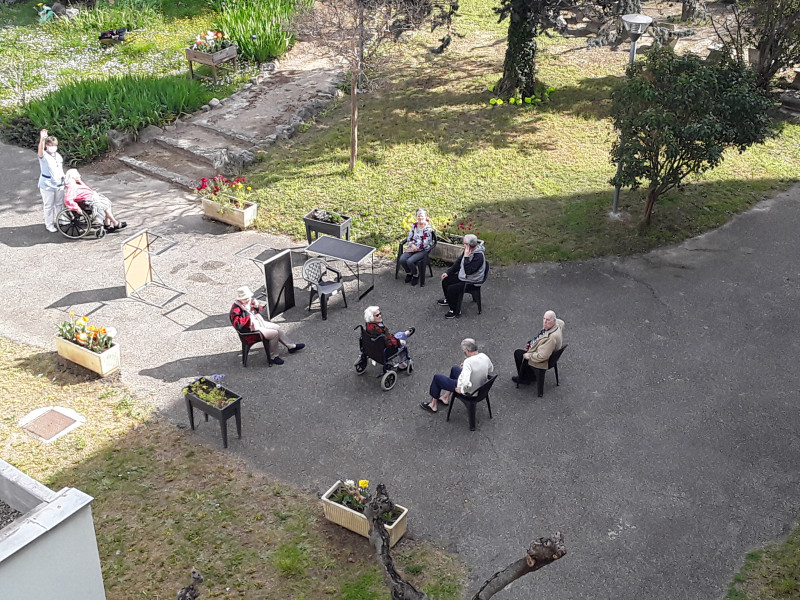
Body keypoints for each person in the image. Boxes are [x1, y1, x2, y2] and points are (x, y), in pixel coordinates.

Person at [229, 286, 305, 365]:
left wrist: (256, 306)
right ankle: (273, 357)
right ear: (239, 299)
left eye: (248, 297)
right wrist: (247, 312)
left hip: (259, 323)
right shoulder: (235, 310)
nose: (248, 300)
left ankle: (291, 346)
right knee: (274, 334)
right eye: (245, 298)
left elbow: (260, 311)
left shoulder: (247, 303)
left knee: (277, 328)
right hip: (250, 331)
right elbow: (238, 325)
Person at [420, 338, 494, 414]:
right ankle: (445, 397)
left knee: (437, 378)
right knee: (455, 369)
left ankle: (433, 405)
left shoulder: (468, 362)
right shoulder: (484, 356)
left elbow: (465, 383)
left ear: (466, 351)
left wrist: (461, 390)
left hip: (470, 391)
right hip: (481, 387)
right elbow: (491, 369)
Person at [437, 233, 486, 319]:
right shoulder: (468, 251)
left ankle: (455, 310)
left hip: (472, 281)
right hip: (464, 277)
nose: (463, 245)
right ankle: (449, 300)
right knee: (446, 280)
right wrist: (448, 273)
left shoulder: (478, 256)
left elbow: (469, 271)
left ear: (468, 245)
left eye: (464, 243)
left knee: (452, 289)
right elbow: (458, 263)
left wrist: (466, 257)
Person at [513, 310, 565, 385]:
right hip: (546, 350)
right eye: (544, 319)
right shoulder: (557, 324)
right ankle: (530, 373)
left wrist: (529, 355)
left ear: (554, 320)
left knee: (518, 353)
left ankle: (525, 378)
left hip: (543, 360)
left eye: (548, 320)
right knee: (528, 344)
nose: (545, 322)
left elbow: (542, 356)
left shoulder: (551, 338)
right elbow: (562, 322)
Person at [37, 129, 65, 233]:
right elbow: (40, 151)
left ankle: (61, 219)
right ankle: (49, 224)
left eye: (54, 145)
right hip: (47, 184)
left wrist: (64, 177)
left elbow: (60, 168)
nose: (53, 147)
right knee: (49, 205)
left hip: (59, 183)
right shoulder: (44, 156)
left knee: (59, 203)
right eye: (51, 145)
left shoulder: (58, 156)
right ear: (47, 145)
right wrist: (42, 139)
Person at [398, 208, 434, 286]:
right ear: (416, 216)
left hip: (422, 250)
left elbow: (425, 243)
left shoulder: (428, 229)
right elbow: (409, 238)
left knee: (410, 261)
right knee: (402, 259)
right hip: (413, 247)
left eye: (422, 216)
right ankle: (409, 273)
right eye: (418, 216)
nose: (420, 218)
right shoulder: (414, 225)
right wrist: (412, 246)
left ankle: (415, 275)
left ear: (426, 217)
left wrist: (415, 249)